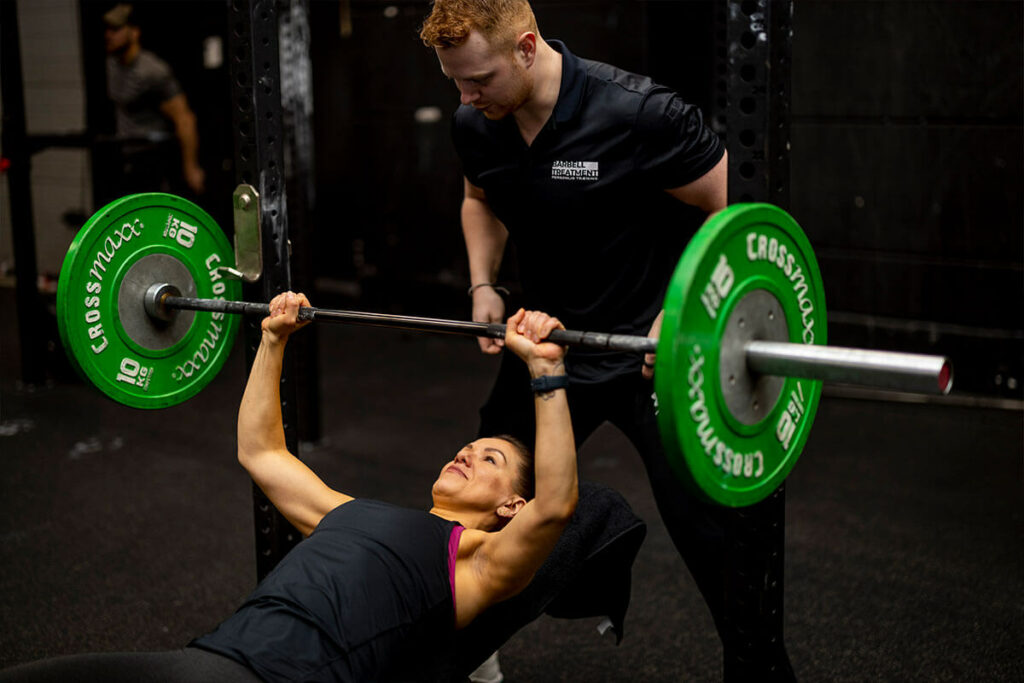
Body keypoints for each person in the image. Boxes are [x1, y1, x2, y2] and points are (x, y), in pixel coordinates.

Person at [420, 1, 793, 679]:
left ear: (527, 47)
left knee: (713, 534)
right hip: (547, 344)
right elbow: (479, 198)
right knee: (472, 500)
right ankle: (465, 655)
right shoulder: (477, 121)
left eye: (478, 79)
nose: (465, 96)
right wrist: (483, 282)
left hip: (649, 352)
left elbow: (736, 209)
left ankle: (759, 669)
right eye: (456, 82)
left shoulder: (638, 112)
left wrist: (680, 316)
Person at [0, 293, 579, 682]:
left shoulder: (475, 564)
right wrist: (274, 338)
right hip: (208, 659)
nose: (466, 453)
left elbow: (555, 506)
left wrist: (545, 371)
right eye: (470, 448)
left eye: (489, 458)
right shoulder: (348, 512)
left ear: (511, 504)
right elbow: (261, 451)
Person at [102, 3, 205, 197]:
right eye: (107, 29)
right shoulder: (110, 66)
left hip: (152, 162)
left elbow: (184, 119)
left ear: (134, 32)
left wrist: (191, 168)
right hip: (125, 158)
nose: (109, 35)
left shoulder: (152, 71)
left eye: (116, 29)